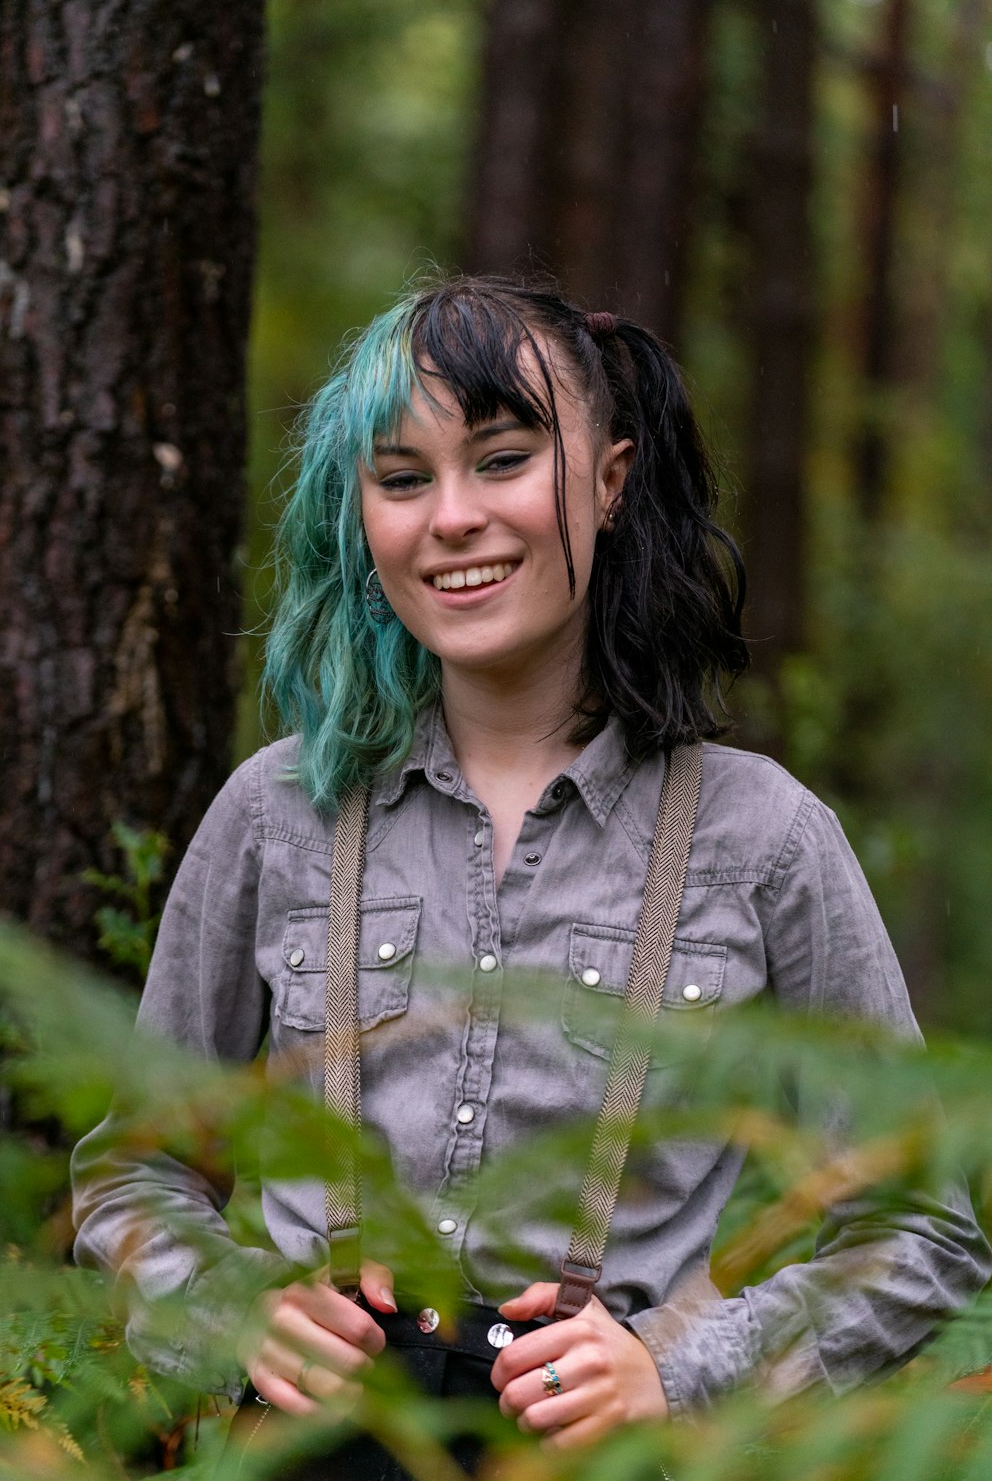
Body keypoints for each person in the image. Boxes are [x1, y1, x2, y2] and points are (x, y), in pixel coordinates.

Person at [71, 275, 990, 1474]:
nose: (450, 518)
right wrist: (233, 1308)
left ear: (608, 481)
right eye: (402, 479)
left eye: (501, 459)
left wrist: (678, 1368)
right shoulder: (274, 812)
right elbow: (130, 1167)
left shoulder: (763, 836)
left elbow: (916, 1225)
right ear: (363, 515)